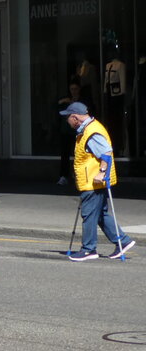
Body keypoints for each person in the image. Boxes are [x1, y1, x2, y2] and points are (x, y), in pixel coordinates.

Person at [60, 101, 136, 261]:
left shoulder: (92, 132)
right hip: (91, 181)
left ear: (75, 118)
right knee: (100, 214)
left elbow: (106, 152)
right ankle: (122, 241)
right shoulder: (88, 129)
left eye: (67, 117)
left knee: (88, 214)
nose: (66, 120)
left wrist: (102, 172)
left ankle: (88, 249)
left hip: (92, 182)